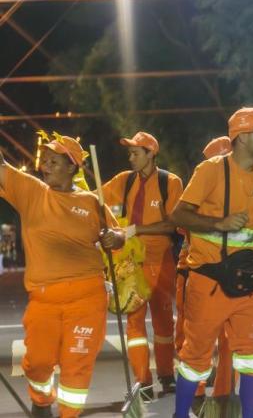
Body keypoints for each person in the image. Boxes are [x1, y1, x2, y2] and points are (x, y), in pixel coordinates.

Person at [0, 136, 125, 417]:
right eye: (44, 160)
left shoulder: (92, 202)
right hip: (44, 299)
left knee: (77, 365)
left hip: (87, 297)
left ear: (72, 167)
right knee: (37, 362)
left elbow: (118, 236)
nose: (45, 165)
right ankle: (42, 400)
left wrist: (113, 238)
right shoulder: (31, 190)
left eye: (54, 161)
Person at [170, 107, 253, 418]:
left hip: (249, 284)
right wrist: (219, 223)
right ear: (242, 137)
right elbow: (178, 216)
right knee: (195, 357)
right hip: (209, 282)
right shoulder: (210, 171)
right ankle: (180, 415)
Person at [102, 131, 183, 397]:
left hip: (162, 262)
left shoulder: (169, 182)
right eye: (130, 153)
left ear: (151, 153)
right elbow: (94, 199)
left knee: (163, 322)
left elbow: (173, 224)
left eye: (136, 153)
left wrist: (133, 230)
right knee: (134, 323)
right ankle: (143, 381)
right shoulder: (124, 181)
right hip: (129, 263)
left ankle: (167, 375)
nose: (131, 157)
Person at [173, 136, 235, 411]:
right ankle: (204, 393)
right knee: (200, 338)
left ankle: (215, 393)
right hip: (199, 273)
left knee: (210, 338)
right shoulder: (202, 191)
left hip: (216, 274)